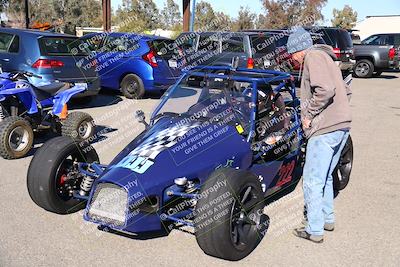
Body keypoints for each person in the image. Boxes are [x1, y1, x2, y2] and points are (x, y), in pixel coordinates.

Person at [286, 27, 352, 243]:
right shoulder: (327, 58)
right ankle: (327, 219)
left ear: (299, 50)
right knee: (324, 177)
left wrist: (309, 115)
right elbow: (346, 91)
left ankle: (314, 230)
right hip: (341, 127)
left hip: (324, 130)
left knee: (312, 180)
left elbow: (324, 89)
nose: (292, 59)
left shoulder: (313, 57)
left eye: (292, 54)